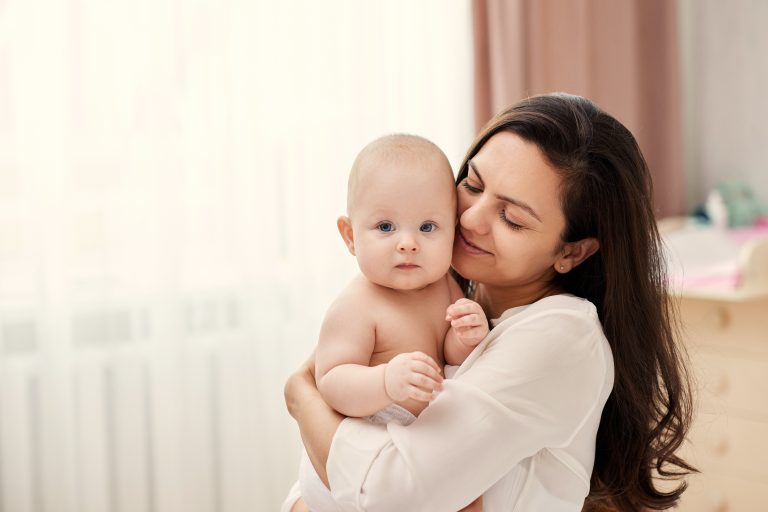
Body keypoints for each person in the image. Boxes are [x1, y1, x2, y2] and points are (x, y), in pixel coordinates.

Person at [284, 94, 696, 511]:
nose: (468, 219)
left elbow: (387, 493)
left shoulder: (563, 336)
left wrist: (302, 398)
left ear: (571, 252)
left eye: (512, 218)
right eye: (472, 185)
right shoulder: (439, 289)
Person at [288, 134, 489, 512]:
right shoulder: (357, 305)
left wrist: (466, 335)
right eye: (385, 227)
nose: (408, 243)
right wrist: (384, 381)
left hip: (409, 445)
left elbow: (447, 351)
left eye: (428, 227)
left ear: (453, 231)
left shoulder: (443, 285)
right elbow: (330, 381)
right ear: (350, 236)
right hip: (349, 455)